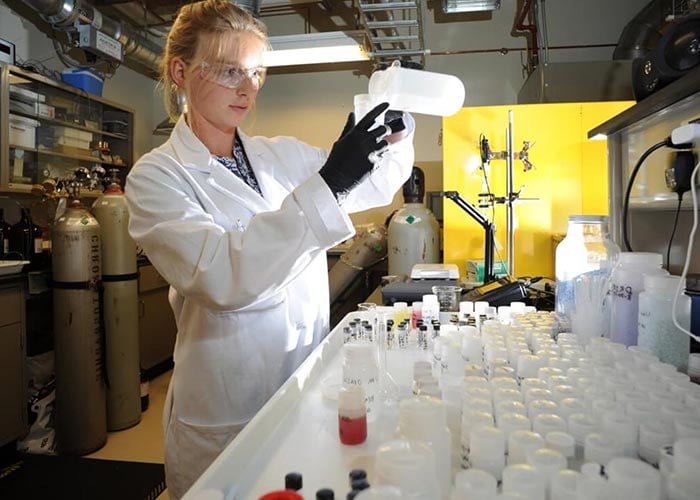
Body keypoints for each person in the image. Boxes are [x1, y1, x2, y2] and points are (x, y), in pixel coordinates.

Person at [124, 0, 415, 497]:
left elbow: (371, 186)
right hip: (225, 404)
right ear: (180, 71)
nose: (248, 87)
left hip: (300, 379)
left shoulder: (278, 154)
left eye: (257, 73)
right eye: (229, 70)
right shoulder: (156, 177)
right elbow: (223, 276)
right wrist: (330, 182)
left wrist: (385, 136)